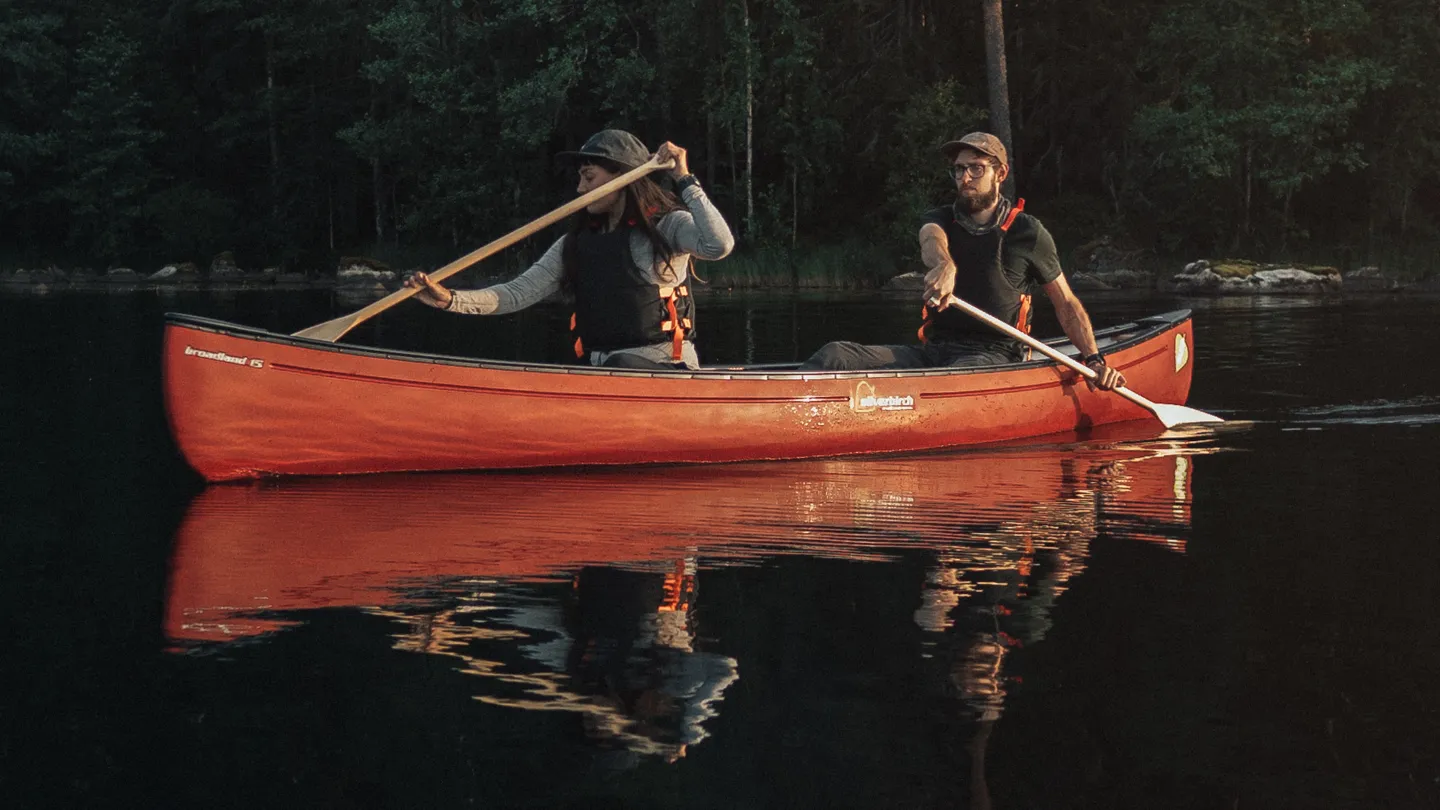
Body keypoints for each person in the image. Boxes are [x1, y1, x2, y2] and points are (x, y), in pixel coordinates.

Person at [799, 131, 1125, 390]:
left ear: (1000, 173)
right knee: (836, 354)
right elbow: (930, 240)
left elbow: (1066, 304)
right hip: (936, 351)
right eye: (958, 169)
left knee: (952, 377)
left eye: (976, 168)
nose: (964, 177)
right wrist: (944, 264)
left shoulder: (1027, 232)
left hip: (995, 356)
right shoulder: (939, 219)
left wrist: (1094, 359)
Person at [405, 129, 735, 370]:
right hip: (601, 374)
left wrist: (685, 179)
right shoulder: (575, 243)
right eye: (580, 179)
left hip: (665, 374)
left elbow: (719, 244)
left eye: (589, 178)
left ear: (621, 177)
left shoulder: (668, 228)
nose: (580, 189)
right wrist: (449, 299)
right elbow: (516, 293)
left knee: (620, 363)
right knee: (599, 366)